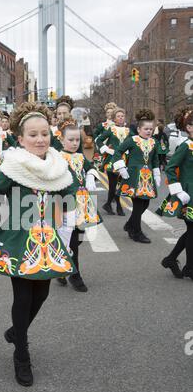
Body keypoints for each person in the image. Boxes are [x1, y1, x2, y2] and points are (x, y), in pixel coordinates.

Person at [0, 102, 76, 387]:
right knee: (23, 298)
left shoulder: (59, 165)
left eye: (44, 133)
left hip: (50, 240)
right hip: (19, 239)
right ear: (20, 139)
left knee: (41, 295)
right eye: (33, 135)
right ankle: (21, 355)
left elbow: (69, 197)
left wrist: (67, 232)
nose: (40, 139)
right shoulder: (13, 166)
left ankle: (15, 332)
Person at [57, 117, 102, 292]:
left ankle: (62, 266)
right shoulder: (58, 157)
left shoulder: (80, 156)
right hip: (67, 203)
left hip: (83, 202)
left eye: (77, 140)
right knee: (73, 240)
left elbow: (90, 166)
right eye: (71, 140)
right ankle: (75, 275)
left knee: (78, 237)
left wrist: (90, 175)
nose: (75, 143)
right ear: (62, 139)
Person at [111, 109, 161, 244]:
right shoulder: (132, 140)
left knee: (145, 203)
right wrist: (121, 167)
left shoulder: (154, 142)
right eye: (146, 129)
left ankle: (129, 225)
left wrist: (157, 173)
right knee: (139, 205)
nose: (149, 131)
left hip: (148, 178)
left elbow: (155, 159)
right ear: (139, 129)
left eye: (151, 129)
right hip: (134, 177)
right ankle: (137, 232)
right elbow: (118, 151)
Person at [157, 107, 193, 279]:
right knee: (192, 230)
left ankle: (171, 259)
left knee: (191, 231)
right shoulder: (186, 146)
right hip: (188, 195)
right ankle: (189, 268)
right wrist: (178, 190)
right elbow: (171, 168)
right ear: (189, 127)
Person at [95, 108, 130, 216]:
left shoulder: (128, 130)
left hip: (124, 160)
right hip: (112, 160)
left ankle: (109, 204)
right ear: (114, 119)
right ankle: (118, 207)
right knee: (113, 184)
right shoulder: (111, 129)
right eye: (118, 116)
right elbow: (99, 139)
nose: (121, 117)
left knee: (118, 185)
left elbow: (135, 141)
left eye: (122, 116)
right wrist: (106, 149)